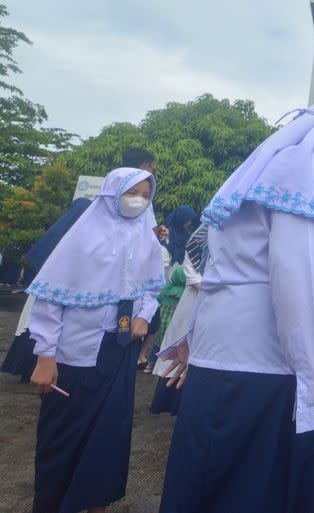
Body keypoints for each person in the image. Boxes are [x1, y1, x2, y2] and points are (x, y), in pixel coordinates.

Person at [156, 102, 314, 513]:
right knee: (249, 488)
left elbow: (216, 274)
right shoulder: (302, 167)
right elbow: (296, 282)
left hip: (214, 357)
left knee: (203, 480)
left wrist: (189, 337)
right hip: (263, 365)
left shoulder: (255, 174)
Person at [25, 167, 164, 513]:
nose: (140, 201)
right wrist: (45, 355)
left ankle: (95, 503)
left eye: (147, 196)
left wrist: (144, 315)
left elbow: (152, 287)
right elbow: (50, 296)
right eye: (134, 193)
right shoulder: (83, 236)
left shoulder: (145, 236)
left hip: (119, 350)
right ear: (111, 194)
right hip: (75, 353)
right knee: (64, 434)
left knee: (108, 435)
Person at [1, 198, 91, 382]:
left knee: (35, 325)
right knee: (46, 326)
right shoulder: (80, 235)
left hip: (43, 289)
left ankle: (27, 368)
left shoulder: (59, 230)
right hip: (56, 291)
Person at [150, 226, 207, 416]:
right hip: (195, 300)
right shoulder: (204, 233)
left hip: (220, 306)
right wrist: (210, 289)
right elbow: (191, 263)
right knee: (183, 349)